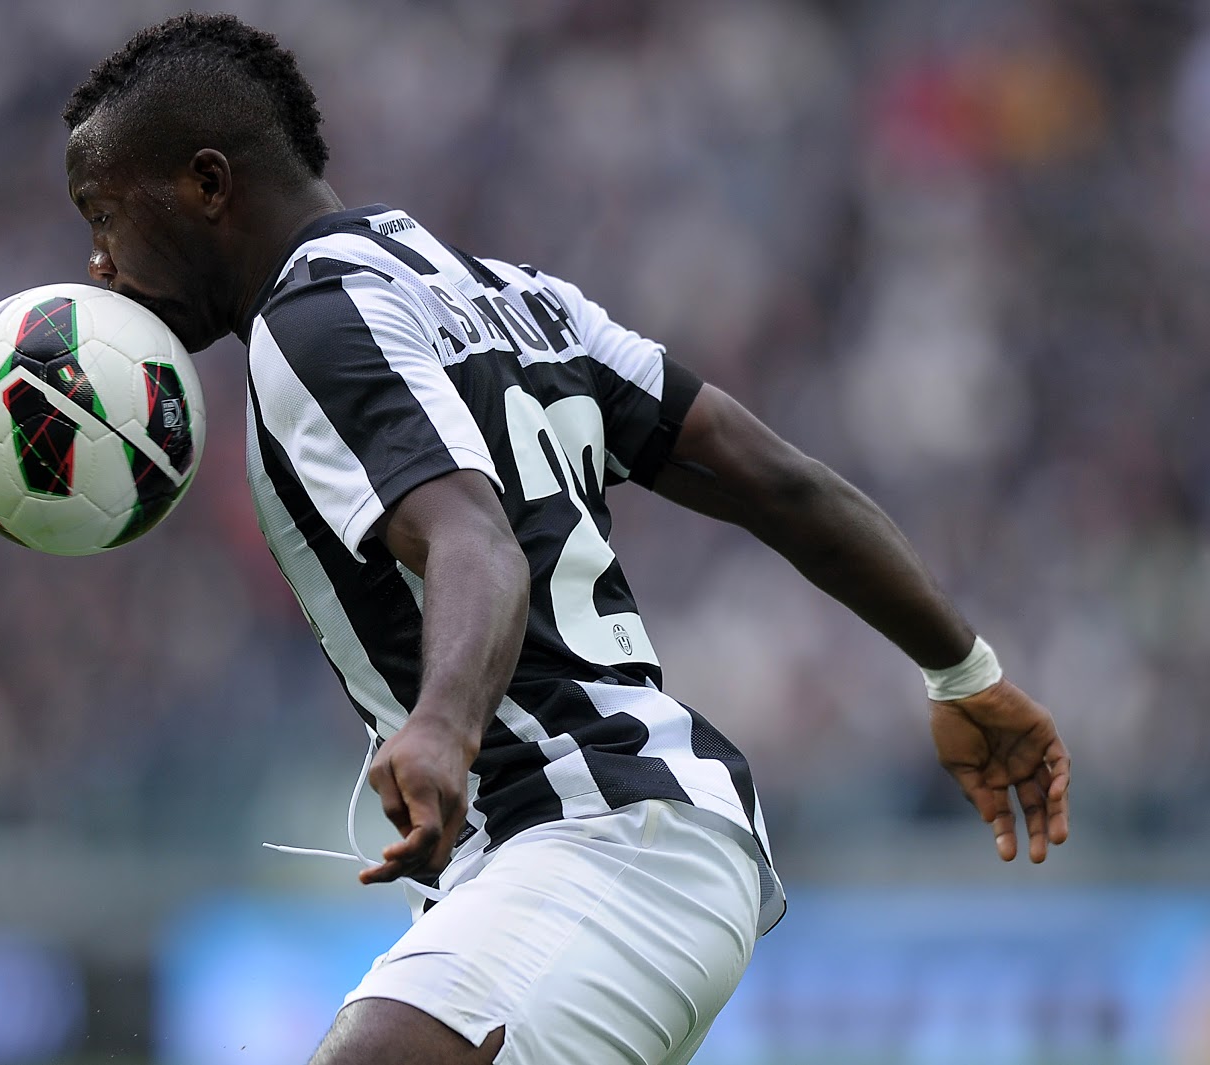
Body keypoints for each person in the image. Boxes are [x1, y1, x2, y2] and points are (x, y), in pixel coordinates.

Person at [61, 13, 1072, 1065]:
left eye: (104, 215)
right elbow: (778, 482)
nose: (97, 263)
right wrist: (964, 672)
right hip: (610, 845)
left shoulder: (305, 323)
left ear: (208, 184)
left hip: (599, 836)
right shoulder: (520, 297)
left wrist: (443, 726)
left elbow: (477, 541)